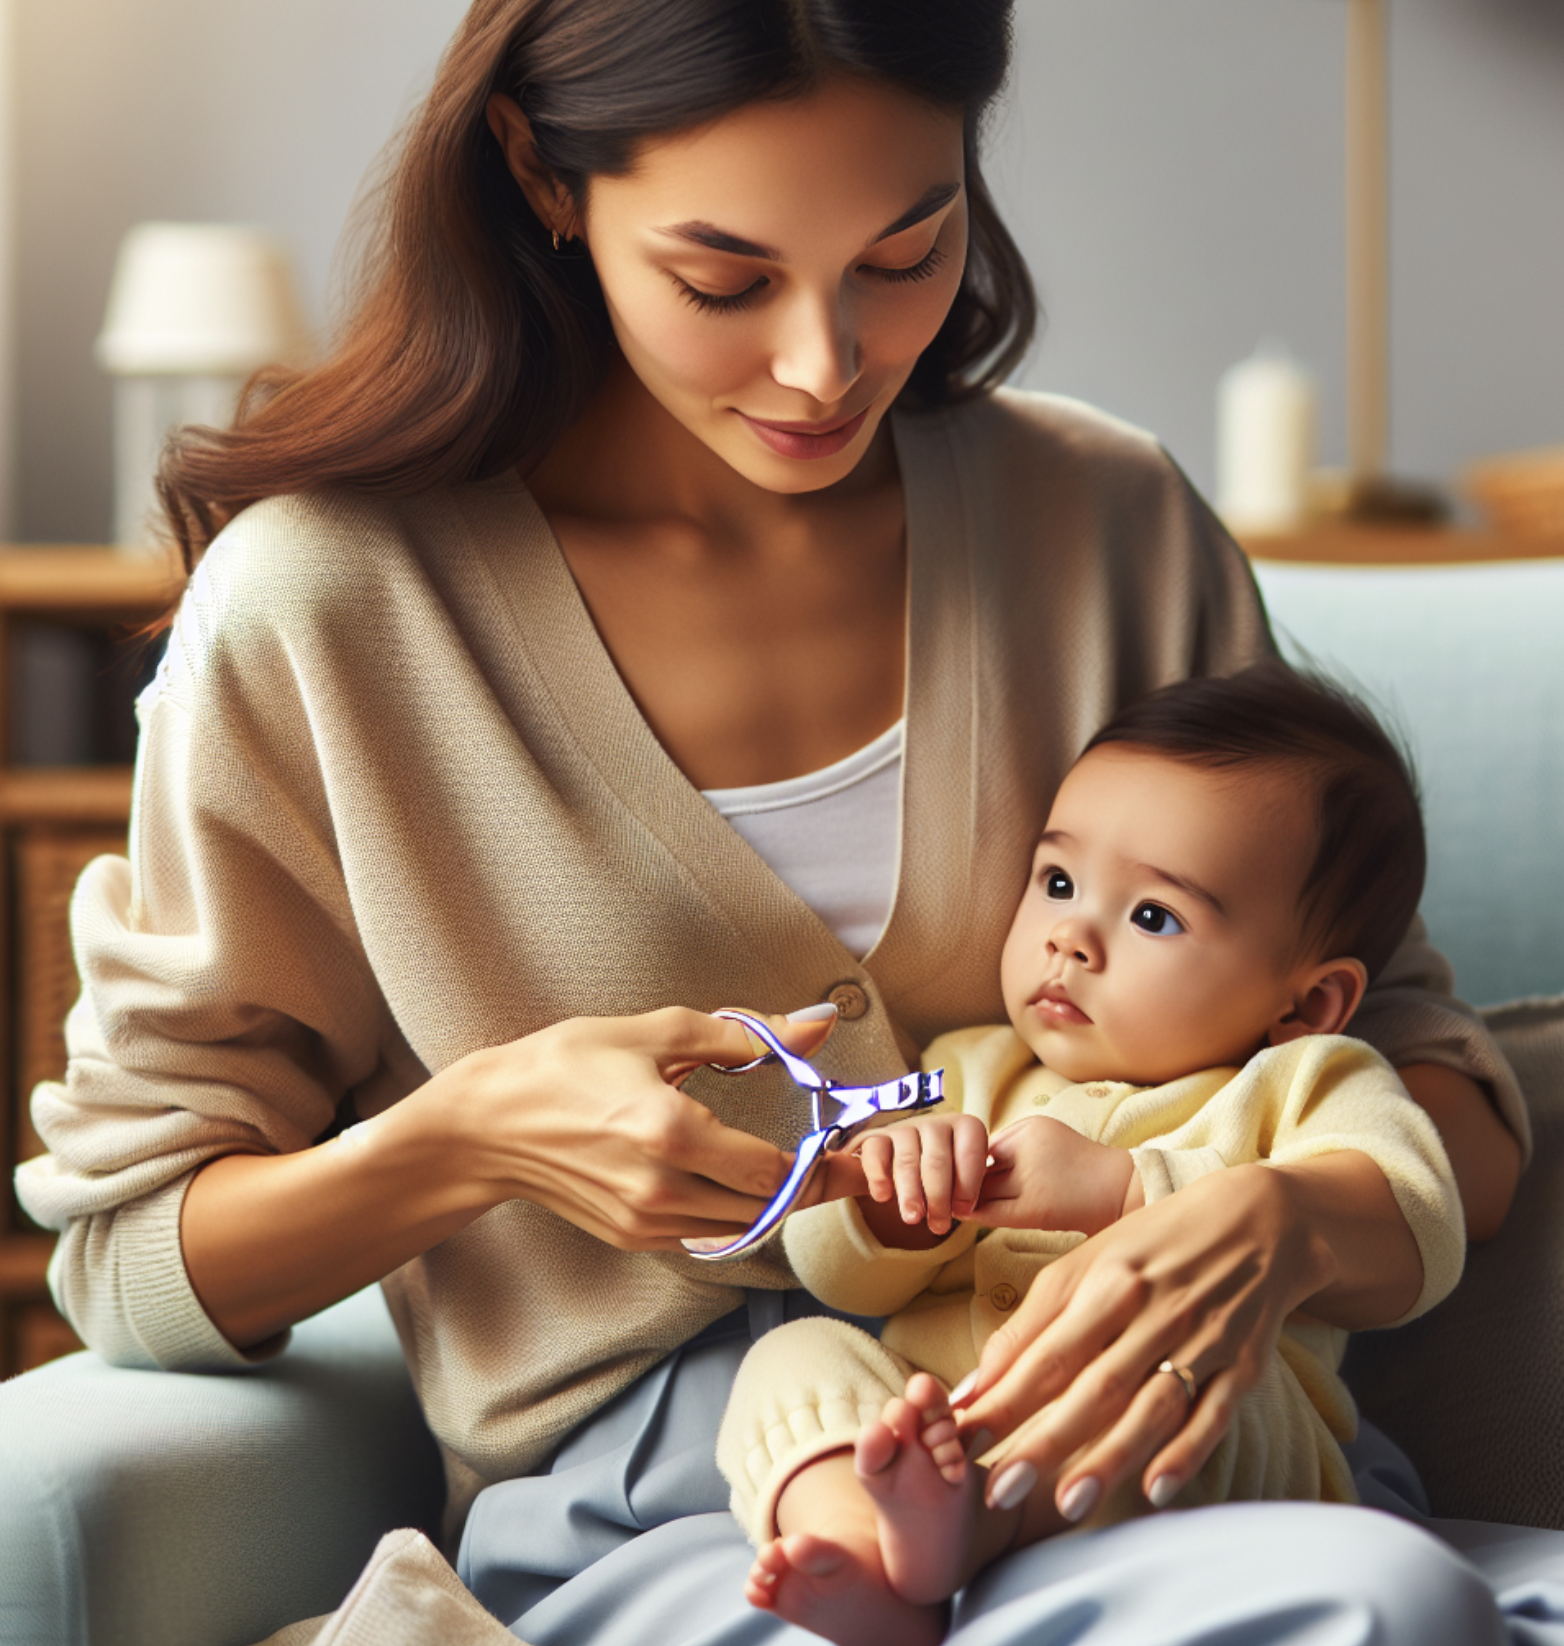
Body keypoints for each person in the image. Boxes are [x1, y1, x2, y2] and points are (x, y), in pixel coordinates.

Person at [10, 2, 1542, 1642]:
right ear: (542, 176)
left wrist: (1278, 1220)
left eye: (905, 249)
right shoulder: (325, 610)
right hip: (683, 1498)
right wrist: (470, 1137)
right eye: (722, 279)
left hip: (1159, 1438)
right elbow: (131, 1258)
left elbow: (1409, 1056)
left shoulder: (1110, 527)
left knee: (1379, 1592)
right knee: (1375, 1611)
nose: (825, 363)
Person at [722, 664, 1464, 1645]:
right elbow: (837, 1269)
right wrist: (892, 1201)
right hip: (951, 1430)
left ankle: (968, 1529)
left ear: (1304, 1002)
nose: (1068, 936)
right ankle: (865, 1545)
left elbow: (1419, 1225)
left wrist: (1128, 1186)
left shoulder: (1304, 1083)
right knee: (791, 1354)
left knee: (1167, 1369)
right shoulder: (967, 1069)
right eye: (1058, 880)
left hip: (1200, 1442)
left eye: (1153, 914)